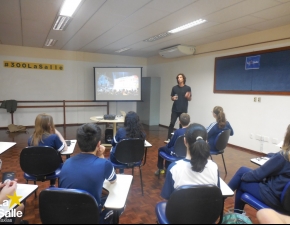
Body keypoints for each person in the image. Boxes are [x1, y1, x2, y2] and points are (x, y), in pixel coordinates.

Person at [59, 123, 117, 224]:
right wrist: (101, 155)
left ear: (78, 143)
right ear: (98, 144)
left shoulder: (67, 162)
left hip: (67, 215)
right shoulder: (104, 164)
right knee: (119, 206)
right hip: (92, 217)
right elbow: (113, 180)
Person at [228, 124, 290, 213]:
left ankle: (221, 198)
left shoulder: (284, 157)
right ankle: (236, 214)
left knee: (242, 180)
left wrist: (243, 177)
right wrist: (272, 155)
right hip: (285, 200)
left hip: (274, 197)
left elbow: (258, 175)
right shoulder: (283, 157)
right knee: (243, 170)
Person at [161, 123, 219, 200]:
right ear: (206, 141)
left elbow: (168, 198)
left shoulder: (174, 168)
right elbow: (216, 194)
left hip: (180, 211)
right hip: (206, 211)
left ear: (184, 141)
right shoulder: (214, 167)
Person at [28, 113, 67, 186]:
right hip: (52, 169)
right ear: (49, 124)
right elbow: (65, 147)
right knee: (56, 156)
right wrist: (57, 132)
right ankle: (53, 184)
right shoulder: (53, 137)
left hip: (35, 169)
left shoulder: (31, 139)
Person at [167, 73, 192, 141]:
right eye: (178, 77)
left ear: (183, 79)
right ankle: (169, 138)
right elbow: (172, 98)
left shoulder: (188, 88)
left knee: (182, 126)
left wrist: (188, 97)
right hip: (175, 109)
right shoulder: (174, 88)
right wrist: (173, 98)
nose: (179, 78)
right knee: (172, 123)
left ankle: (181, 139)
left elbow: (190, 99)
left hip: (183, 110)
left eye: (180, 77)